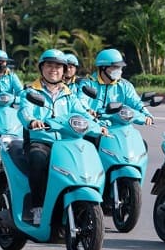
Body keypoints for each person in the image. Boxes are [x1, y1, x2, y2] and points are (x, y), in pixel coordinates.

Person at [18, 49, 108, 225]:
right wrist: (32, 121)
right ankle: (38, 207)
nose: (54, 70)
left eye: (58, 66)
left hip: (67, 141)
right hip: (41, 141)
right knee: (38, 159)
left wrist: (99, 126)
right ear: (42, 68)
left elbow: (82, 113)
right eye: (49, 65)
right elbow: (24, 111)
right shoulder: (31, 92)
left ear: (64, 70)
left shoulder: (69, 95)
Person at [80, 48, 153, 126]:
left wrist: (146, 114)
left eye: (120, 67)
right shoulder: (88, 83)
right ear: (103, 67)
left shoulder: (125, 85)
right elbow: (81, 100)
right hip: (94, 124)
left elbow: (135, 101)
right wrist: (88, 110)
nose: (119, 70)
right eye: (115, 67)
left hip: (119, 124)